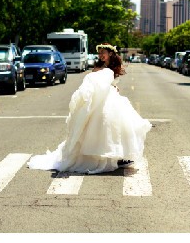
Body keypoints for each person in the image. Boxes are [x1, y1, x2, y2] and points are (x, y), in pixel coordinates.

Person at [27, 43, 151, 174]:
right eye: (100, 52)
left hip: (111, 99)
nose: (101, 55)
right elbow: (93, 84)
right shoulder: (98, 68)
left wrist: (113, 87)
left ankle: (119, 157)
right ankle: (103, 157)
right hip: (100, 100)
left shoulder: (113, 67)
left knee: (119, 125)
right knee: (102, 126)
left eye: (104, 52)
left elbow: (111, 82)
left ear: (110, 53)